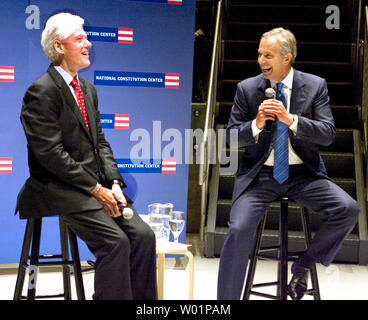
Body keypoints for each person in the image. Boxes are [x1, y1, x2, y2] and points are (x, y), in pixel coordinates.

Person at [15, 12, 157, 300]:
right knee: (115, 242)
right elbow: (50, 155)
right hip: (57, 187)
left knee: (143, 236)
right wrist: (95, 189)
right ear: (59, 46)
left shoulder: (87, 90)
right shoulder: (41, 91)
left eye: (87, 37)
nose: (88, 43)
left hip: (95, 186)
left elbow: (100, 143)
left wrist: (114, 183)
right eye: (79, 38)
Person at [217, 27, 360, 300]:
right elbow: (230, 139)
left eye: (268, 55)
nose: (261, 61)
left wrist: (291, 119)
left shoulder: (315, 86)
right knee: (237, 229)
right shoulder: (247, 89)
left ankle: (304, 264)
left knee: (347, 209)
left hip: (303, 174)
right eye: (259, 54)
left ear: (287, 58)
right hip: (260, 176)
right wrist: (256, 124)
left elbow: (328, 134)